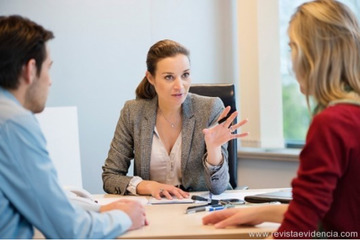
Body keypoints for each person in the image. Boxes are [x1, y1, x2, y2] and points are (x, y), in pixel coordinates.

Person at [202, 0, 360, 238]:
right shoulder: (352, 114)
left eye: (292, 48)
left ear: (312, 55)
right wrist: (260, 213)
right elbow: (331, 211)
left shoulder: (332, 124)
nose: (291, 63)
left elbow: (300, 228)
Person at [0, 15, 147, 239]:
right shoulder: (13, 123)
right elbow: (69, 230)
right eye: (48, 68)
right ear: (30, 69)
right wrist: (126, 217)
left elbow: (36, 200)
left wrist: (98, 209)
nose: (49, 81)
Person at [102, 39, 248, 199]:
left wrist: (213, 149)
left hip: (198, 209)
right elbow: (110, 176)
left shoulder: (210, 108)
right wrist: (148, 185)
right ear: (151, 78)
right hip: (152, 210)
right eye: (169, 77)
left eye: (185, 75)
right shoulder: (133, 112)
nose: (180, 86)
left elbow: (219, 188)